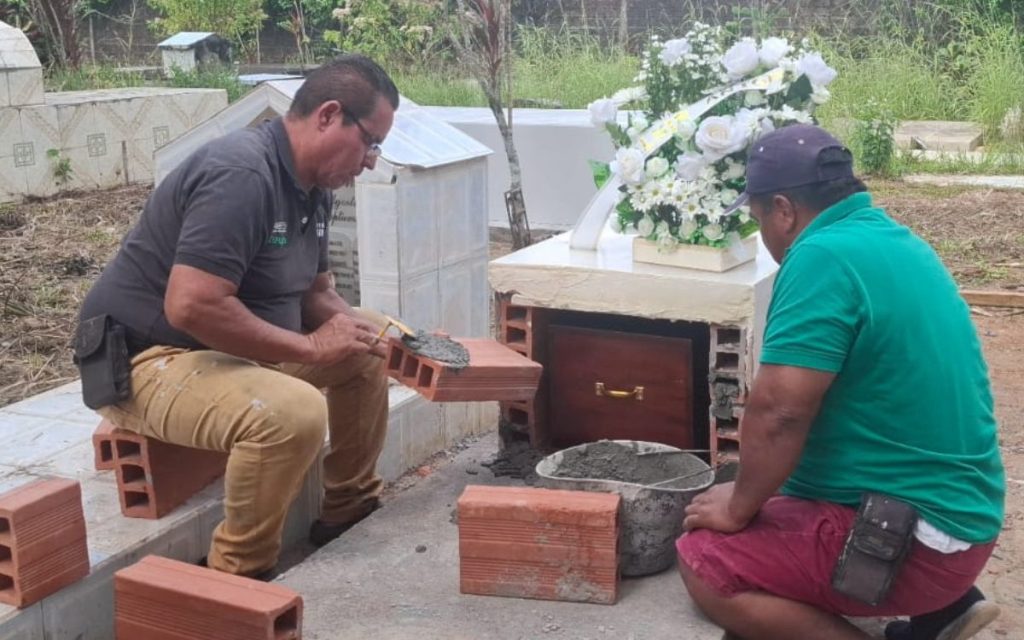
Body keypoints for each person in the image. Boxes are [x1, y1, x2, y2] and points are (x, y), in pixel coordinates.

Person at [75, 54, 400, 578]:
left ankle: (349, 509)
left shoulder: (314, 188)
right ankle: (237, 575)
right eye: (370, 141)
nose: (370, 160)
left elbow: (316, 294)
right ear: (328, 115)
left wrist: (366, 332)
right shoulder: (241, 173)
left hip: (224, 351)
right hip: (146, 360)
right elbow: (192, 304)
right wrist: (312, 349)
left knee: (369, 346)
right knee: (290, 413)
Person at [677, 124, 1005, 640]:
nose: (762, 233)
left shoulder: (821, 256)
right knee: (772, 490)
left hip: (920, 542)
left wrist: (738, 508)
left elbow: (780, 412)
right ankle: (946, 611)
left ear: (784, 210)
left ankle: (922, 598)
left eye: (758, 217)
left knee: (705, 561)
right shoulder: (889, 238)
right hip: (960, 517)